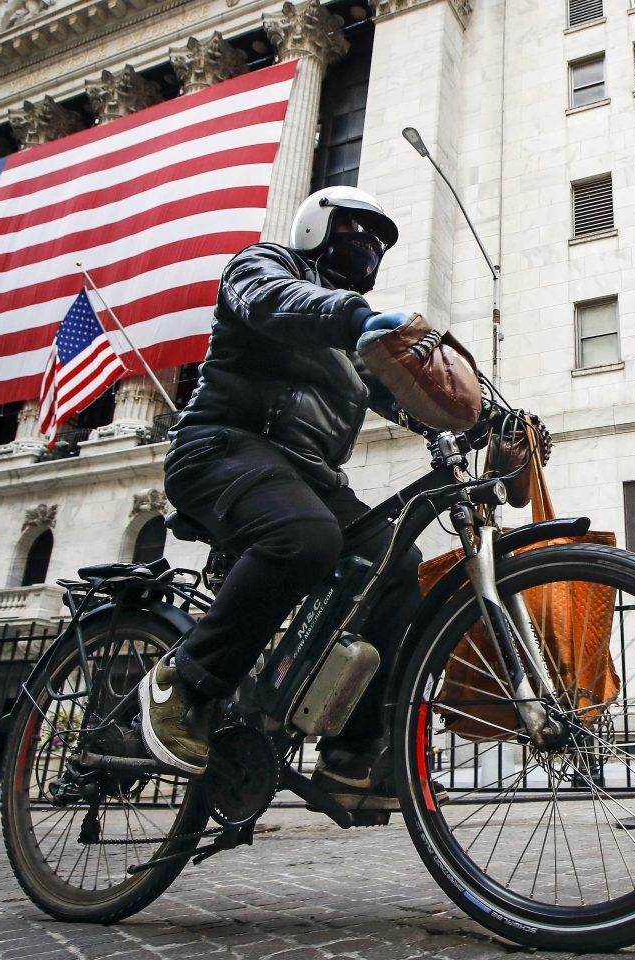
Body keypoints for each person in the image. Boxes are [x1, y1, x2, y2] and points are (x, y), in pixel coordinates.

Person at [137, 186, 435, 805]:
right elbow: (278, 302)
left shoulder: (353, 342)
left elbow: (411, 398)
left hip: (307, 475)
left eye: (379, 241)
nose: (369, 246)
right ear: (316, 227)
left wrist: (490, 420)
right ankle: (182, 682)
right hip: (223, 445)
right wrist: (354, 316)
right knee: (305, 537)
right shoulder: (263, 267)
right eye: (357, 230)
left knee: (400, 563)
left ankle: (350, 753)